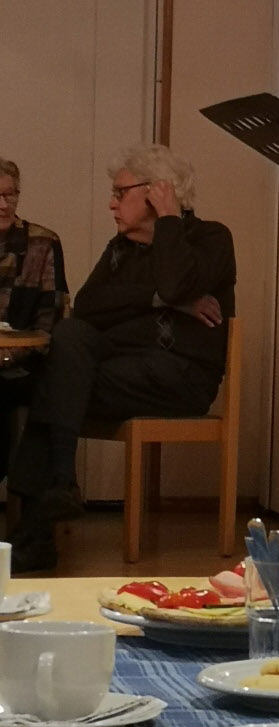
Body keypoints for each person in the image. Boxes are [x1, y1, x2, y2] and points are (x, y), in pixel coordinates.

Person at [9, 146, 236, 573]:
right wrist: (156, 300)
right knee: (69, 336)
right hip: (119, 369)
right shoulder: (121, 249)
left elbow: (175, 282)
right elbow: (89, 306)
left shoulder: (210, 239)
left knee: (50, 380)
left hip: (179, 376)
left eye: (120, 192)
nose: (111, 203)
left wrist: (168, 221)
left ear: (156, 192)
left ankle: (38, 527)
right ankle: (58, 484)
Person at [0, 158, 67, 485]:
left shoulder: (42, 243)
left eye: (10, 195)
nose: (3, 205)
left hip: (23, 364)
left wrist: (8, 356)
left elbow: (50, 320)